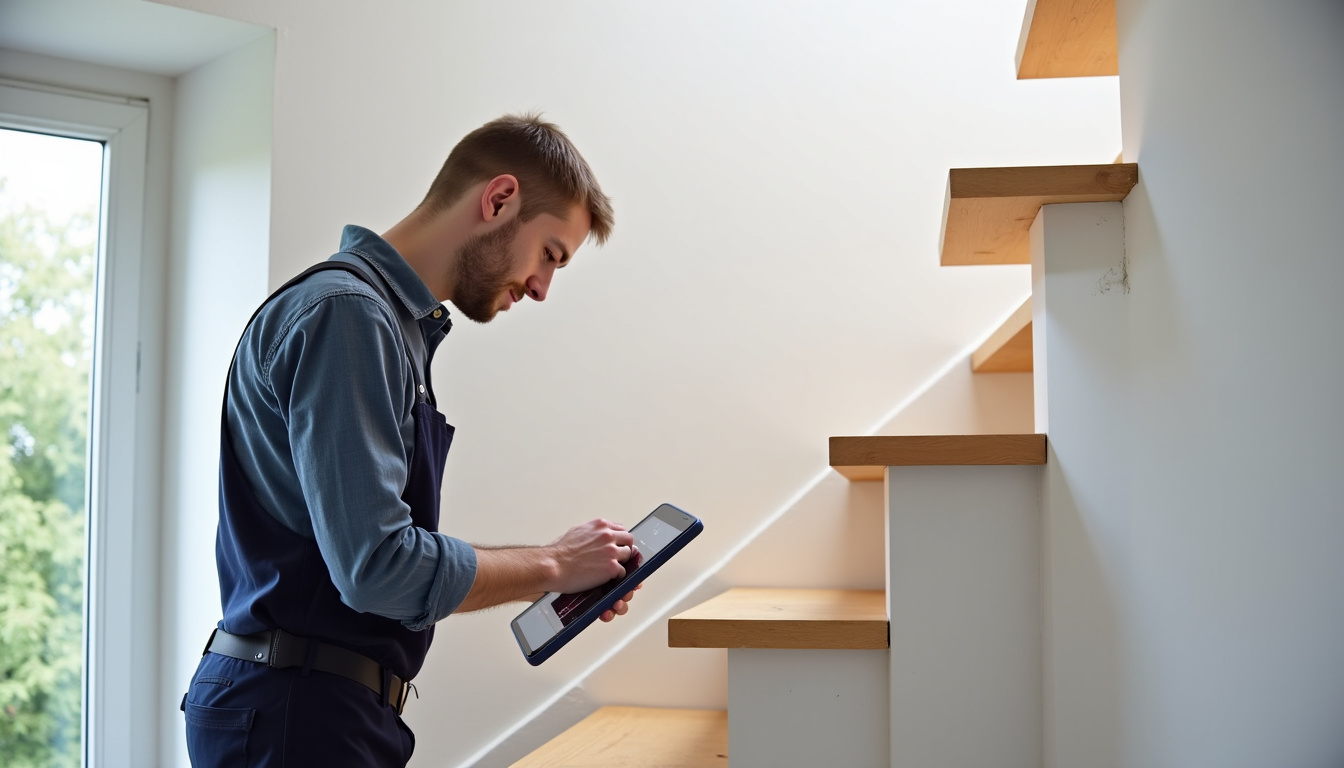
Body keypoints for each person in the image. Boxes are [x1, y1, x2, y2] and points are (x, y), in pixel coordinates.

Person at [181, 114, 635, 767]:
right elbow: (377, 567)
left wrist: (557, 569)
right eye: (550, 254)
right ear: (499, 199)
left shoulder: (383, 325)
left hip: (315, 710)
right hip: (296, 718)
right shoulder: (349, 316)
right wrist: (556, 564)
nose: (541, 287)